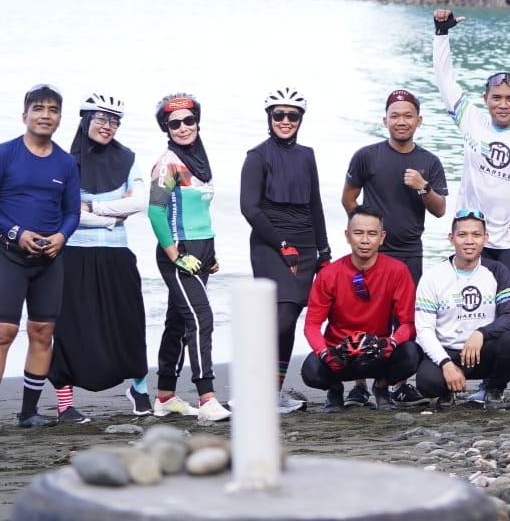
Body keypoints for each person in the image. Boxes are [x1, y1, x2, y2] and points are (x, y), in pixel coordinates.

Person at [431, 9, 510, 406]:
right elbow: (444, 80)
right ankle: (473, 374)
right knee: (473, 305)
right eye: (496, 98)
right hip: (473, 238)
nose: (503, 105)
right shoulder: (471, 122)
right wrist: (441, 34)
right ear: (485, 99)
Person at [0, 84, 81, 436]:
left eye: (53, 109)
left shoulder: (66, 162)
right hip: (11, 255)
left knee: (42, 332)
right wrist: (17, 232)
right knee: (2, 331)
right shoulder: (4, 154)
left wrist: (62, 236)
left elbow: (72, 212)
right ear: (25, 115)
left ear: (60, 118)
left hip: (50, 258)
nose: (45, 115)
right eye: (39, 108)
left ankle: (28, 412)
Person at [342, 88, 448, 407]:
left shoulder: (429, 161)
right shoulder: (366, 155)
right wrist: (363, 233)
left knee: (406, 320)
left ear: (419, 120)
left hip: (409, 252)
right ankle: (359, 384)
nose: (401, 122)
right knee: (362, 316)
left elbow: (440, 209)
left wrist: (422, 187)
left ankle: (396, 383)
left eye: (407, 116)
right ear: (384, 120)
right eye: (394, 116)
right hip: (370, 253)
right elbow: (348, 197)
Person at [49, 93, 150, 423]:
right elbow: (66, 214)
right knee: (68, 328)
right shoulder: (64, 161)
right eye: (101, 119)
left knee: (130, 323)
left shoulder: (128, 159)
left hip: (116, 254)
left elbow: (139, 203)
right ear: (86, 120)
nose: (108, 126)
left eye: (114, 121)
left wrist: (90, 208)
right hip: (73, 255)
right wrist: (110, 216)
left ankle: (140, 389)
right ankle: (65, 404)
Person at [240, 87, 331, 414]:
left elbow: (315, 203)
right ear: (269, 117)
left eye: (292, 115)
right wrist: (281, 244)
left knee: (289, 319)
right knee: (280, 317)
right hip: (270, 243)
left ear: (300, 119)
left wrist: (324, 249)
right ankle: (252, 387)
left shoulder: (307, 155)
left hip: (305, 244)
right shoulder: (257, 156)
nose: (285, 120)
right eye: (279, 114)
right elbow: (249, 208)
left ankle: (273, 393)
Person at [148, 93, 230, 422]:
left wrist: (211, 253)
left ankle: (165, 396)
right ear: (166, 129)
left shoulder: (200, 161)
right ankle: (207, 398)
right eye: (175, 124)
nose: (183, 128)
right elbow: (155, 213)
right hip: (179, 251)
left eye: (189, 121)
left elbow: (199, 213)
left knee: (178, 322)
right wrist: (175, 255)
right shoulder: (167, 162)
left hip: (201, 250)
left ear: (197, 122)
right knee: (201, 319)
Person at [301, 206, 420, 412]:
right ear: (348, 236)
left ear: (382, 237)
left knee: (412, 353)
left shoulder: (398, 271)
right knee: (310, 370)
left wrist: (391, 342)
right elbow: (311, 325)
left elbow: (408, 323)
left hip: (377, 351)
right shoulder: (329, 274)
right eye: (358, 233)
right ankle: (335, 389)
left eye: (372, 234)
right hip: (340, 354)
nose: (365, 240)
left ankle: (381, 387)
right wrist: (325, 353)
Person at [413, 210, 510, 408]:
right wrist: (445, 363)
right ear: (451, 238)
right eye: (462, 235)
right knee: (428, 383)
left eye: (476, 235)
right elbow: (424, 331)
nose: (469, 241)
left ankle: (494, 389)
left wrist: (481, 333)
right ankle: (447, 391)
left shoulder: (497, 271)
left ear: (485, 238)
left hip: (483, 351)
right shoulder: (433, 276)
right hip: (448, 351)